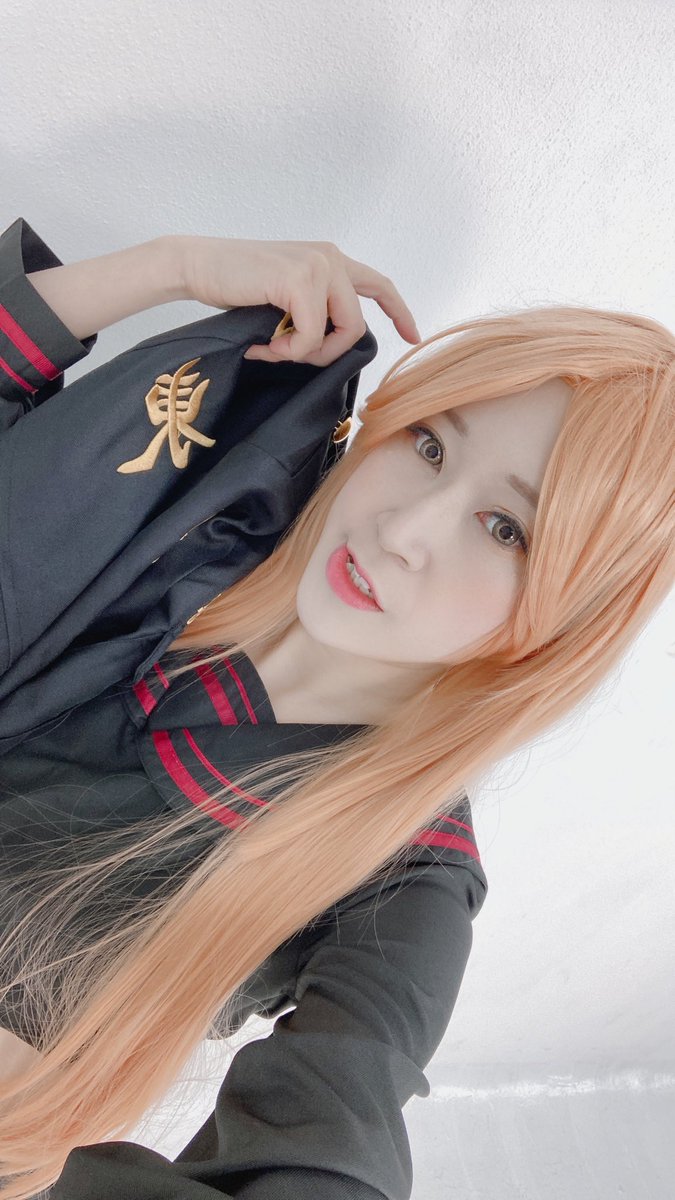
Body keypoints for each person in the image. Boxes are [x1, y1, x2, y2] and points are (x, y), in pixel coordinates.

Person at [0, 223, 673, 1200]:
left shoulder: (401, 876)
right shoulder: (209, 508)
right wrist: (173, 267)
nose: (404, 529)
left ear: (567, 613)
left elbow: (328, 1145)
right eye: (430, 443)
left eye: (504, 527)